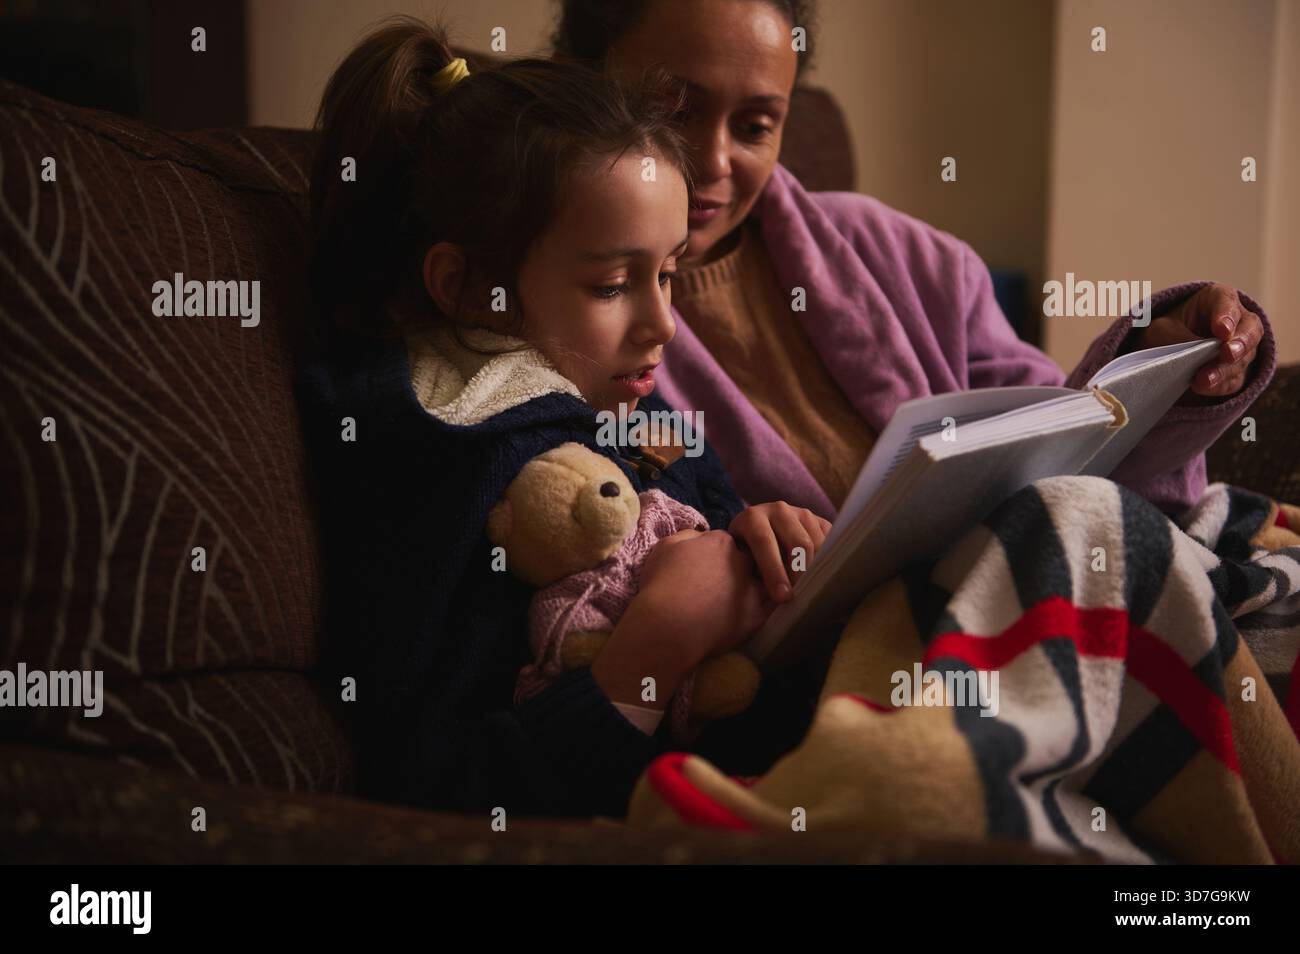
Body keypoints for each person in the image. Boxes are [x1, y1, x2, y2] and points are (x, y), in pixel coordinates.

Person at [297, 16, 828, 818]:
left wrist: (758, 539)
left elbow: (721, 544)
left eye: (670, 274)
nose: (665, 326)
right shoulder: (451, 478)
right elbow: (441, 793)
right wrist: (655, 649)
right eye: (614, 285)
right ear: (469, 288)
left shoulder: (636, 417)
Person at [553, 0, 1277, 549]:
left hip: (1010, 595)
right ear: (583, 84)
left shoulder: (913, 262)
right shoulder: (558, 313)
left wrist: (1157, 359)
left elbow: (1068, 449)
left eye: (754, 126)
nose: (713, 163)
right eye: (674, 110)